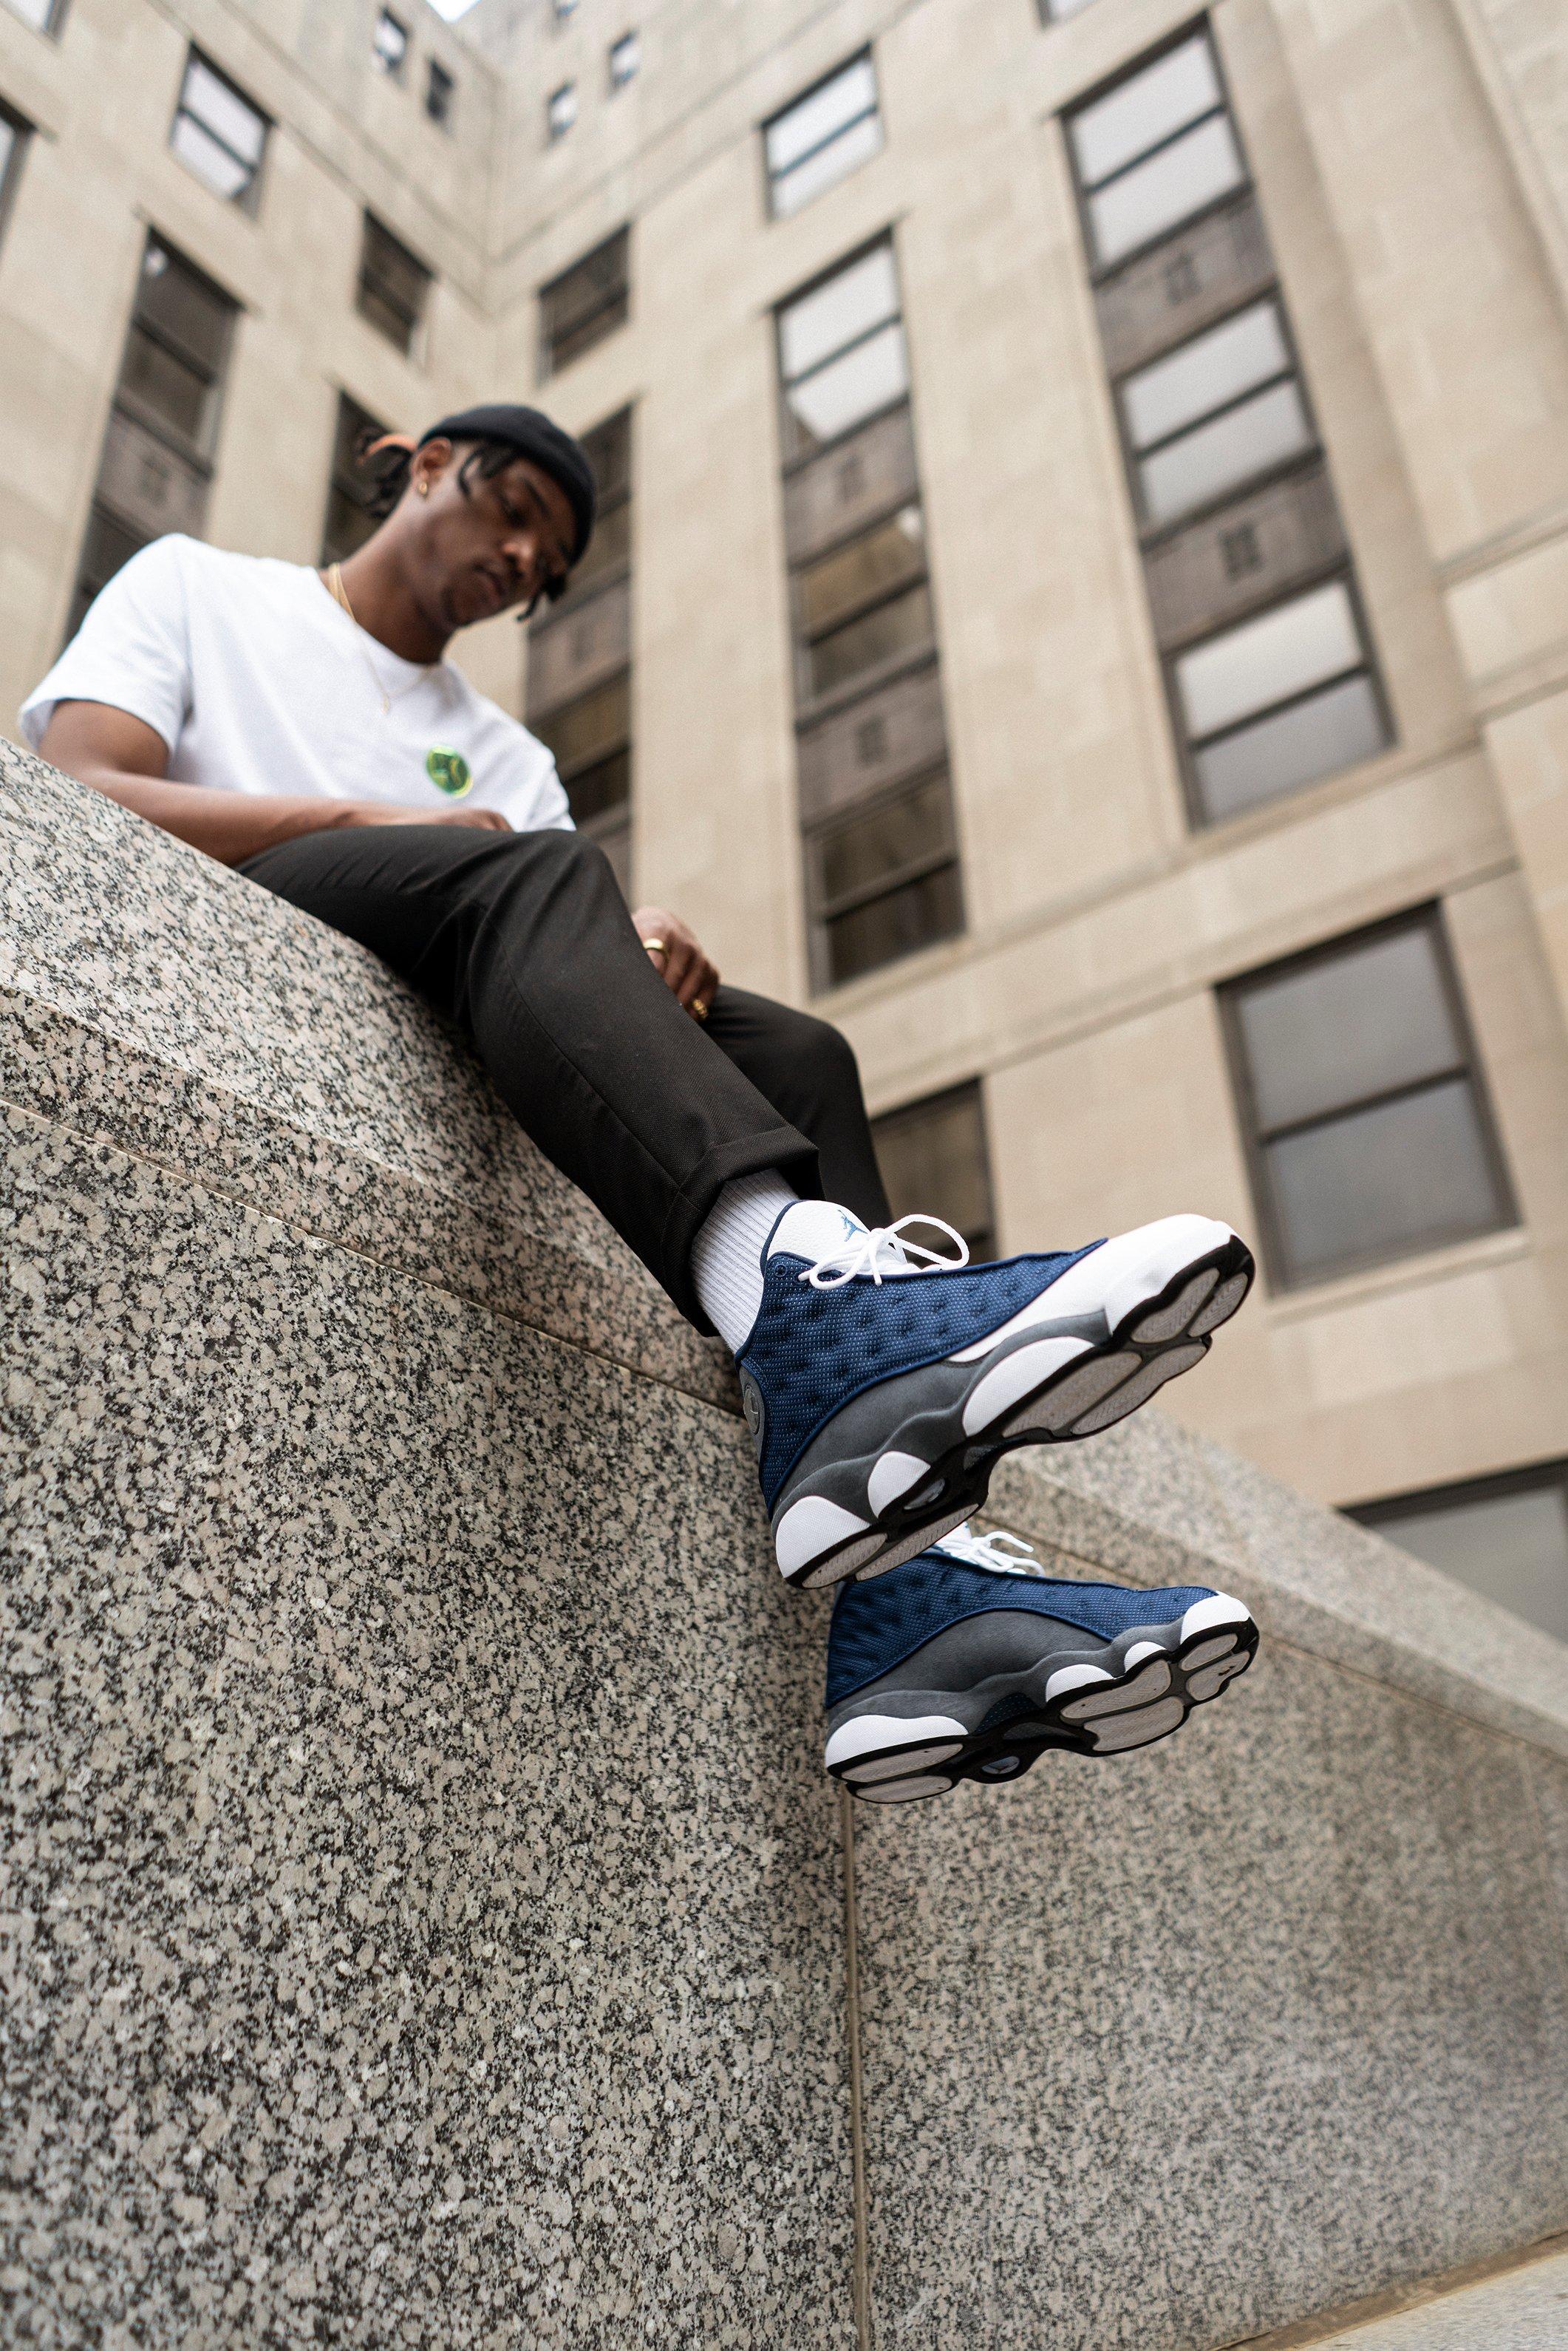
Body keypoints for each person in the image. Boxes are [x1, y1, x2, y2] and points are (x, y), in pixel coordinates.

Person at [23, 401, 1260, 1801]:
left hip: (452, 953)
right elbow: (82, 779)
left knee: (794, 1054)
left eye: (545, 558)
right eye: (509, 514)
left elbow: (547, 925)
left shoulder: (500, 748)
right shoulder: (202, 585)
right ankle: (808, 1321)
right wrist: (361, 820)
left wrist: (640, 935)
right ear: (427, 465)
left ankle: (910, 1599)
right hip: (241, 918)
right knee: (549, 877)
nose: (519, 558)